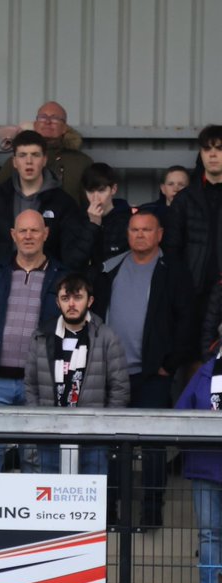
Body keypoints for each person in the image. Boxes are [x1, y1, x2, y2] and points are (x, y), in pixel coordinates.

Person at [23, 273, 129, 583]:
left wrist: (105, 429)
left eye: (78, 297)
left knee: (91, 518)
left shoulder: (106, 337)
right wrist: (40, 428)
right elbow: (30, 389)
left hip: (92, 443)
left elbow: (119, 389)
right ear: (57, 301)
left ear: (90, 301)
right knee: (52, 518)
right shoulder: (41, 337)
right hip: (52, 441)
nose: (72, 303)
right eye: (66, 297)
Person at [94, 212, 194, 529]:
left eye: (146, 230)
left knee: (152, 447)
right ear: (127, 234)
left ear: (160, 234)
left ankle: (151, 511)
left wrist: (168, 364)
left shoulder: (173, 271)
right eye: (134, 230)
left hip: (153, 375)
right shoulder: (111, 268)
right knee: (110, 444)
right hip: (112, 375)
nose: (140, 235)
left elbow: (187, 321)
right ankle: (109, 509)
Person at [0, 209, 66, 472]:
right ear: (13, 235)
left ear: (46, 234)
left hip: (38, 383)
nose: (28, 236)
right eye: (23, 230)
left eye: (34, 230)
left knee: (35, 459)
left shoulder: (61, 276)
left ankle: (34, 513)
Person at [0, 129, 91, 271]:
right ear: (14, 162)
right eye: (22, 155)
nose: (29, 161)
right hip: (2, 282)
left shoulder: (63, 203)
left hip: (47, 284)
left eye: (35, 155)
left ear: (44, 160)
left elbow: (70, 256)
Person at [174, 340, 222, 583]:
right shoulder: (204, 372)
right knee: (209, 534)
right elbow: (181, 416)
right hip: (206, 466)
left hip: (205, 463)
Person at [164, 126, 222, 319]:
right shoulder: (185, 199)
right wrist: (182, 286)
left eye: (219, 149)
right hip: (193, 294)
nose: (212, 155)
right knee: (190, 348)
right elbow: (171, 248)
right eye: (207, 149)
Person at [0, 101, 92, 203]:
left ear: (64, 128)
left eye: (55, 118)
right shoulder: (18, 160)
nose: (48, 122)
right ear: (35, 125)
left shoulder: (81, 162)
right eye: (43, 117)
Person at [82, 162, 133, 269]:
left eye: (101, 191)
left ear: (113, 189)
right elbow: (76, 260)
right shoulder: (79, 219)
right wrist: (92, 226)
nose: (95, 198)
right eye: (90, 191)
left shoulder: (127, 221)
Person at [138, 165, 191, 229]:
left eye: (181, 184)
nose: (176, 189)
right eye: (170, 184)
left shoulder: (197, 214)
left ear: (190, 189)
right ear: (163, 189)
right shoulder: (148, 211)